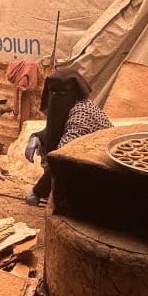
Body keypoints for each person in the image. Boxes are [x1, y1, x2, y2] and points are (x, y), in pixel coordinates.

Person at [24, 68, 113, 205]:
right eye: (53, 93)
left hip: (104, 171)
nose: (56, 97)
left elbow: (62, 158)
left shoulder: (82, 113)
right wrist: (37, 137)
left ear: (75, 93)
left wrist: (38, 191)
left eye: (62, 93)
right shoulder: (71, 106)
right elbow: (55, 128)